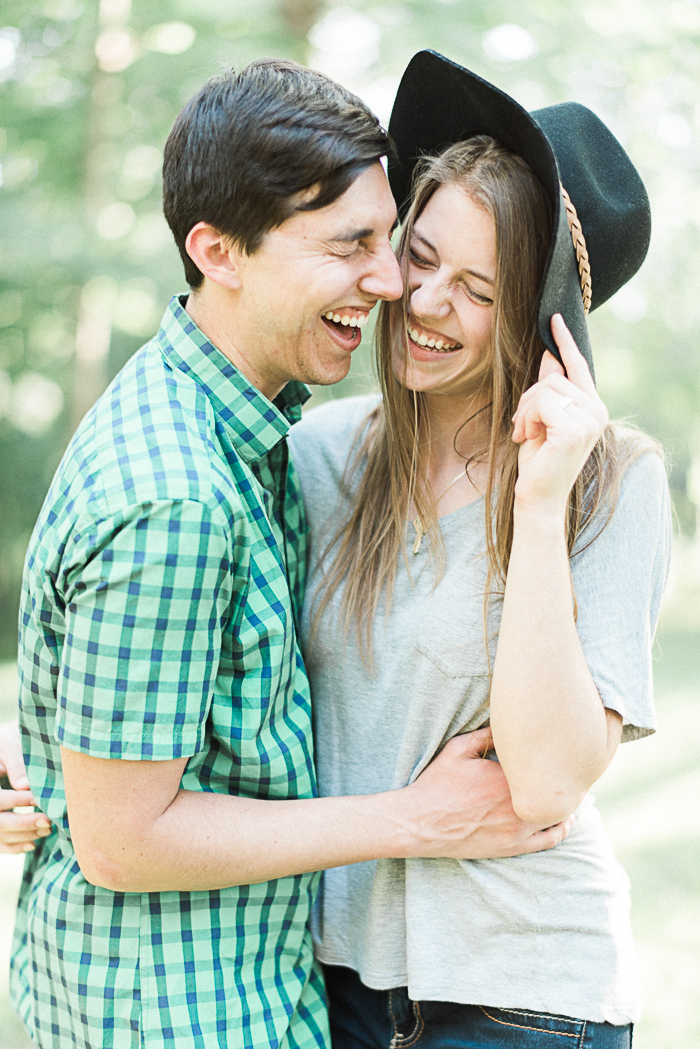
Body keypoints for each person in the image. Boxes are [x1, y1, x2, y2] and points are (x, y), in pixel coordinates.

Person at [0, 58, 572, 1049]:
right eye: (350, 244)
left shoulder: (251, 434)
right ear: (219, 251)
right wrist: (415, 818)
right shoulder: (175, 493)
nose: (390, 280)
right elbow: (125, 838)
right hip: (171, 1010)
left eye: (386, 239)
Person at [287, 52, 671, 1048]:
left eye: (478, 288)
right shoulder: (317, 453)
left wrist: (537, 508)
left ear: (543, 331)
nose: (422, 305)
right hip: (331, 985)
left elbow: (546, 782)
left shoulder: (613, 482)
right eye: (420, 257)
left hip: (524, 997)